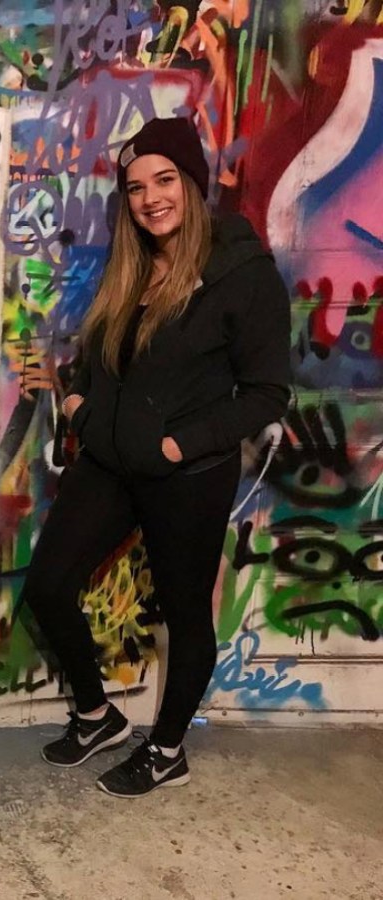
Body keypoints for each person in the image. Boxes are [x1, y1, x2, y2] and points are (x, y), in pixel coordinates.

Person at [19, 117, 291, 797]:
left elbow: (265, 394)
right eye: (136, 187)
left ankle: (167, 750)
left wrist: (177, 444)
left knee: (184, 614)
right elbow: (99, 355)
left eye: (164, 180)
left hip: (186, 476)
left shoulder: (241, 273)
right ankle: (95, 714)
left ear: (192, 184)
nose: (150, 199)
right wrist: (79, 405)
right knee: (48, 586)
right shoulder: (133, 264)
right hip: (110, 463)